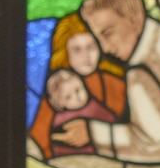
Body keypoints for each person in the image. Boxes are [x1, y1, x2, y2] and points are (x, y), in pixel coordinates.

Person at [52, 0, 160, 167]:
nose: (105, 48)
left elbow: (158, 146)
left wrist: (92, 133)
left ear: (133, 18)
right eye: (99, 39)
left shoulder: (142, 71)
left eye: (108, 34)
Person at [29, 14, 125, 158]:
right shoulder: (57, 89)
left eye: (91, 47)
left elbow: (135, 132)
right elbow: (40, 142)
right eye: (77, 50)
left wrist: (94, 133)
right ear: (65, 52)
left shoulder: (115, 84)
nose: (86, 56)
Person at [42, 69, 113, 157]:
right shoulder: (60, 119)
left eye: (78, 90)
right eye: (68, 97)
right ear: (59, 103)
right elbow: (56, 142)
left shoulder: (95, 107)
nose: (77, 97)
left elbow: (111, 125)